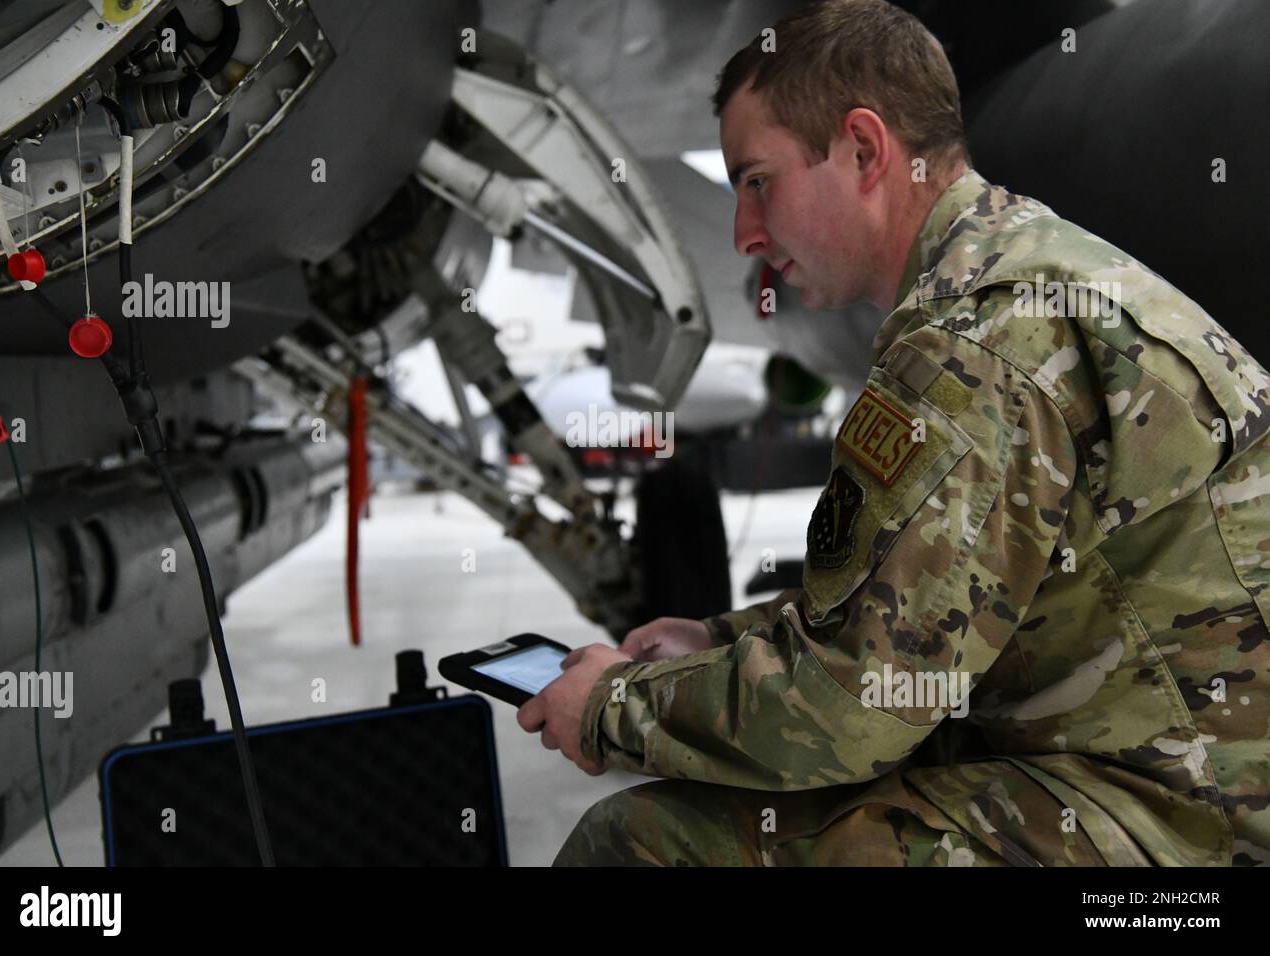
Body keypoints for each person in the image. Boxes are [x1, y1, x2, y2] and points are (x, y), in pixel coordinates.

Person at [516, 0, 1270, 866]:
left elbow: (859, 707)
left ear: (865, 151)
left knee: (640, 841)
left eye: (758, 181)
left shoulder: (970, 345)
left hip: (1192, 825)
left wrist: (612, 708)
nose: (744, 235)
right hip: (1173, 762)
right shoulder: (1021, 269)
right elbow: (923, 606)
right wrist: (720, 643)